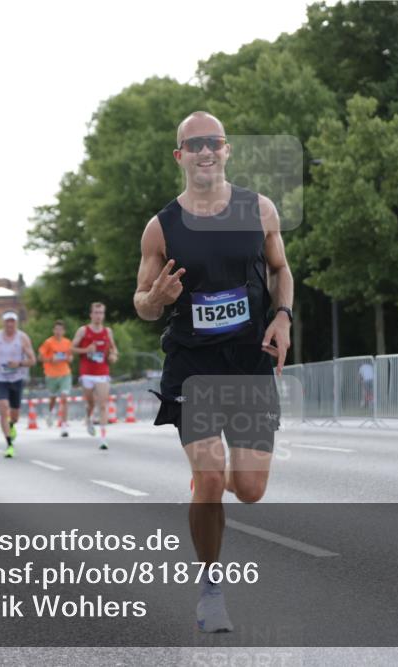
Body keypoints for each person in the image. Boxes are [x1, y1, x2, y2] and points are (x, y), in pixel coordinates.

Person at [134, 111, 293, 632]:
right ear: (179, 155)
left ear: (226, 151)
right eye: (194, 144)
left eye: (214, 142)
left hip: (248, 362)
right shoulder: (162, 227)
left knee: (248, 488)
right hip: (194, 366)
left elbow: (279, 268)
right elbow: (142, 301)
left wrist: (284, 318)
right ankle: (210, 592)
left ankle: (210, 483)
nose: (205, 151)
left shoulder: (259, 208)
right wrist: (154, 299)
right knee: (208, 476)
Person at [0, 311, 35, 458]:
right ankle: (9, 444)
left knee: (15, 416)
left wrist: (19, 363)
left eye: (12, 321)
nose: (10, 324)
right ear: (3, 323)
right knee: (3, 408)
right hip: (0, 379)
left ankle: (12, 426)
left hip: (17, 379)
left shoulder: (22, 338)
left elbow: (32, 360)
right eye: (7, 321)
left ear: (16, 323)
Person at [71, 303, 119, 450]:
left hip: (102, 372)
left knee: (103, 404)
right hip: (86, 373)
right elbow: (71, 348)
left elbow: (114, 350)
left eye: (101, 313)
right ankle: (89, 417)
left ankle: (103, 438)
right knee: (91, 403)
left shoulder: (107, 331)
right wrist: (86, 349)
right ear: (91, 314)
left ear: (103, 315)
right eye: (96, 313)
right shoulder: (83, 330)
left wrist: (113, 357)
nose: (98, 316)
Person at [39, 320, 73, 437]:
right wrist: (50, 359)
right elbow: (40, 357)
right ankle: (51, 413)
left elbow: (70, 356)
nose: (58, 332)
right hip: (51, 374)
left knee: (64, 398)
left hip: (65, 373)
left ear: (64, 331)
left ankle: (64, 425)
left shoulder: (67, 342)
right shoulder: (48, 342)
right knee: (53, 398)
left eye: (60, 330)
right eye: (56, 329)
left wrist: (69, 358)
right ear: (53, 330)